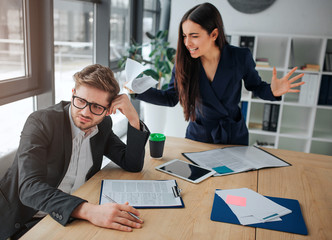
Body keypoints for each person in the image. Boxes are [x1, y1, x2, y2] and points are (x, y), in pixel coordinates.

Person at [0, 64, 150, 240]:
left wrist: (133, 117)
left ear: (108, 110)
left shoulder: (102, 125)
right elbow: (29, 188)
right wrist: (90, 211)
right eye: (80, 101)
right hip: (25, 222)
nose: (85, 112)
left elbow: (131, 164)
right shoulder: (41, 122)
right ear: (73, 93)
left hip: (71, 218)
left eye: (96, 107)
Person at [135, 2, 304, 145]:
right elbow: (170, 97)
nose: (187, 42)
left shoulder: (240, 57)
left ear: (214, 34)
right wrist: (136, 90)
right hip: (199, 136)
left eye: (194, 36)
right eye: (184, 36)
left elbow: (256, 86)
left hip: (233, 136)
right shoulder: (184, 63)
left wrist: (272, 91)